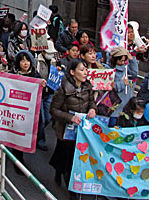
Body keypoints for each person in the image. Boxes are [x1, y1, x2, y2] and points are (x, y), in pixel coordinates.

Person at [49, 59, 97, 199]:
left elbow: (92, 103)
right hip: (65, 130)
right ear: (72, 72)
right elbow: (53, 109)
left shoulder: (88, 87)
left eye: (86, 70)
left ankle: (61, 171)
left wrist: (93, 110)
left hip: (81, 131)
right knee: (67, 159)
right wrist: (70, 117)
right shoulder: (63, 89)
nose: (85, 73)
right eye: (81, 70)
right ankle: (71, 190)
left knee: (75, 159)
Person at [10, 50, 46, 170]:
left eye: (27, 60)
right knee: (17, 135)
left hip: (30, 112)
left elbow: (43, 93)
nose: (25, 63)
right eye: (22, 60)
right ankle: (18, 161)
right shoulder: (12, 74)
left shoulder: (35, 75)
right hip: (16, 110)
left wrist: (43, 86)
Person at [105, 46, 138, 127]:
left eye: (124, 60)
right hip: (114, 104)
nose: (122, 63)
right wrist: (122, 84)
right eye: (120, 60)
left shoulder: (126, 68)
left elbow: (134, 73)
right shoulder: (108, 69)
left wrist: (132, 59)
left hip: (125, 104)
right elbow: (109, 86)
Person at [35, 40, 58, 151]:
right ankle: (40, 140)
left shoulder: (53, 61)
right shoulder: (37, 61)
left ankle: (37, 134)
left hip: (49, 93)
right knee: (42, 119)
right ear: (43, 52)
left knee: (48, 117)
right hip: (40, 93)